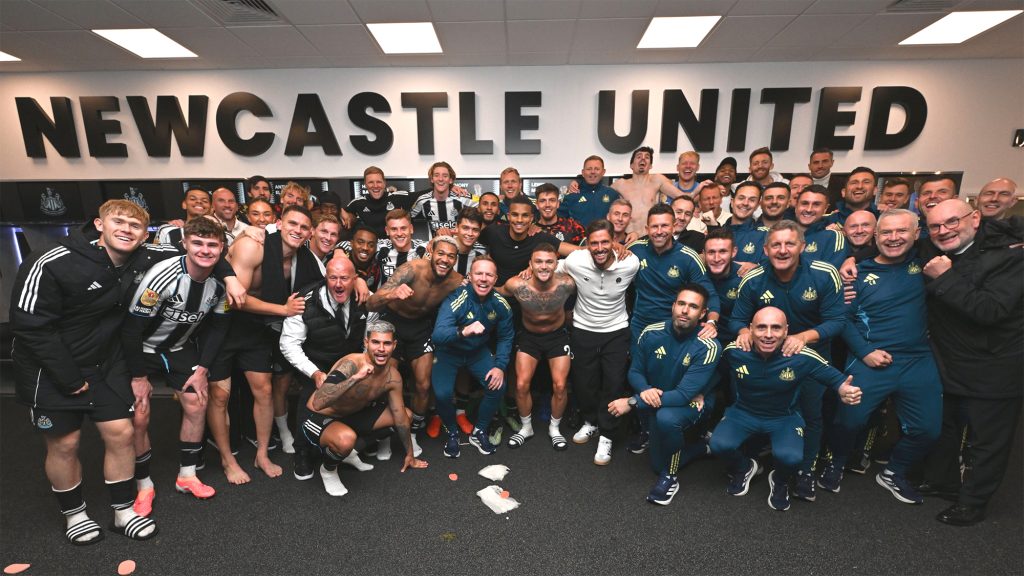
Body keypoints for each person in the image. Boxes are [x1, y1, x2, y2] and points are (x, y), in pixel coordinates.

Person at [11, 200, 159, 544]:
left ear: (144, 235)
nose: (126, 229)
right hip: (50, 370)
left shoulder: (141, 259)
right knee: (65, 443)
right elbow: (29, 326)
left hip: (104, 365)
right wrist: (70, 378)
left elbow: (196, 246)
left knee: (122, 433)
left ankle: (123, 512)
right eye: (118, 222)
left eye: (135, 226)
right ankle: (75, 515)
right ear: (99, 225)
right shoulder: (52, 261)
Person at [817, 208, 941, 504]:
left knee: (928, 429)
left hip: (918, 360)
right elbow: (842, 319)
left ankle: (894, 471)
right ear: (876, 237)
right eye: (886, 232)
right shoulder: (858, 272)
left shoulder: (927, 266)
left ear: (916, 233)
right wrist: (866, 352)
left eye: (901, 231)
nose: (894, 238)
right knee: (849, 420)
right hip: (869, 357)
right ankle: (836, 462)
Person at [919, 199, 1024, 526]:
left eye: (952, 222)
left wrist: (945, 277)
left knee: (986, 440)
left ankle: (973, 503)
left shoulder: (1010, 255)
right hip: (951, 362)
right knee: (947, 426)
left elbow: (990, 311)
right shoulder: (937, 251)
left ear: (975, 218)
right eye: (935, 226)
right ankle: (945, 482)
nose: (944, 231)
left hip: (996, 366)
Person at [728, 220, 846, 503]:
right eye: (776, 245)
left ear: (802, 247)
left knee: (811, 415)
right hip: (766, 359)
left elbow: (837, 320)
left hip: (808, 356)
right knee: (761, 409)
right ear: (766, 249)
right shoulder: (753, 278)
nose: (783, 250)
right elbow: (736, 319)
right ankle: (756, 462)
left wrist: (803, 337)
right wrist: (745, 332)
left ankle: (805, 469)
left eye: (789, 244)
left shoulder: (824, 274)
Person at [121, 217, 231, 516]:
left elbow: (219, 328)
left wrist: (202, 368)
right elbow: (131, 330)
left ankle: (187, 475)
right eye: (198, 243)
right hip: (139, 348)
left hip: (177, 347)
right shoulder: (163, 275)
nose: (205, 251)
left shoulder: (221, 284)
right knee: (140, 416)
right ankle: (144, 485)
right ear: (184, 244)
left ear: (221, 248)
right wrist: (138, 376)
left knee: (197, 403)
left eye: (212, 245)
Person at [207, 205, 318, 483]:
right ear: (279, 224)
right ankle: (227, 459)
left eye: (304, 227)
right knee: (220, 396)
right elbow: (237, 299)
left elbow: (326, 276)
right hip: (222, 325)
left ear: (309, 233)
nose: (298, 231)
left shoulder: (302, 258)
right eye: (293, 224)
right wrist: (283, 310)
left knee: (264, 392)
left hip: (255, 329)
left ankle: (262, 455)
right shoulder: (251, 246)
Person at [710, 307, 861, 511]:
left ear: (786, 330)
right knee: (718, 444)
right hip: (743, 413)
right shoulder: (735, 350)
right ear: (750, 329)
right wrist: (700, 392)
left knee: (791, 457)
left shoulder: (800, 354)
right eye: (762, 327)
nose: (769, 334)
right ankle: (745, 468)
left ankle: (779, 481)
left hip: (783, 417)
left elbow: (834, 378)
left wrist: (844, 389)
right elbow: (714, 372)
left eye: (776, 328)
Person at [607, 285, 721, 505]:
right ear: (673, 306)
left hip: (689, 403)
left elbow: (683, 395)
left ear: (703, 314)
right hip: (658, 400)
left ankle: (670, 476)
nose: (685, 311)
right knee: (656, 457)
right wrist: (645, 392)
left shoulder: (709, 346)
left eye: (693, 306)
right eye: (681, 304)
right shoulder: (651, 332)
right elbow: (635, 371)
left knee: (666, 420)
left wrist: (633, 401)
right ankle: (701, 447)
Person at [301, 322, 428, 496]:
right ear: (366, 343)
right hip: (317, 417)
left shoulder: (393, 377)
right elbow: (319, 402)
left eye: (387, 343)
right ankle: (328, 470)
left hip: (351, 416)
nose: (381, 349)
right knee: (345, 440)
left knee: (406, 414)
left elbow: (400, 417)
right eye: (376, 342)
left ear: (394, 345)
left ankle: (351, 451)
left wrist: (410, 455)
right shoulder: (351, 364)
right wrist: (355, 378)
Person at [280, 256, 371, 480]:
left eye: (344, 278)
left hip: (348, 361)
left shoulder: (364, 297)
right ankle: (302, 451)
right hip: (317, 363)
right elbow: (288, 343)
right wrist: (314, 372)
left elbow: (371, 331)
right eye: (333, 278)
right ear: (325, 278)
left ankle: (344, 446)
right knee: (311, 401)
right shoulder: (306, 301)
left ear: (355, 279)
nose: (338, 284)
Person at [561, 220, 640, 465]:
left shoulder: (630, 262)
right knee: (585, 383)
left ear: (614, 242)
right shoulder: (576, 260)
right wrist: (527, 271)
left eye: (605, 242)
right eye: (594, 243)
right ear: (586, 245)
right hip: (583, 329)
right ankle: (590, 422)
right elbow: (547, 266)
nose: (599, 248)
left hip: (616, 331)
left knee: (614, 383)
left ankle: (607, 434)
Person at [367, 236, 464, 432]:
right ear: (432, 253)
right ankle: (383, 429)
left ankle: (416, 426)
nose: (445, 259)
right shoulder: (411, 269)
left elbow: (483, 291)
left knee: (423, 384)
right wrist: (392, 294)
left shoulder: (456, 281)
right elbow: (371, 303)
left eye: (451, 256)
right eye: (441, 253)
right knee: (385, 380)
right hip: (393, 323)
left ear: (455, 260)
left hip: (421, 327)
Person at [431, 256, 514, 457]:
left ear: (495, 279)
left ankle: (479, 431)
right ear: (470, 276)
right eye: (479, 273)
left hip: (477, 352)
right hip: (449, 352)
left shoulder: (500, 304)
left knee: (497, 384)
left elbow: (506, 336)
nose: (483, 279)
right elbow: (438, 335)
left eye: (489, 275)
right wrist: (463, 331)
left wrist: (500, 366)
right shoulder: (457, 298)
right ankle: (451, 431)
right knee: (442, 394)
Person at [498, 244, 577, 451]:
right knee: (522, 384)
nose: (544, 266)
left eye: (549, 261)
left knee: (560, 385)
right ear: (530, 264)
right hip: (529, 338)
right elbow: (495, 292)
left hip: (557, 337)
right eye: (538, 261)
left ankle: (555, 429)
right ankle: (526, 428)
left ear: (556, 263)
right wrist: (468, 283)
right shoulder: (517, 285)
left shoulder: (567, 284)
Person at [478, 195, 578, 286]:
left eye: (525, 215)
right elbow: (470, 240)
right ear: (508, 216)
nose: (519, 220)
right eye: (515, 215)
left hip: (526, 299)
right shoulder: (493, 232)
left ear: (531, 218)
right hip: (496, 295)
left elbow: (578, 251)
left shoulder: (540, 237)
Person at [611, 146, 681, 234]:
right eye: (639, 157)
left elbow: (683, 197)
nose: (643, 159)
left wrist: (697, 196)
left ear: (650, 166)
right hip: (628, 239)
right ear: (631, 165)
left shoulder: (657, 180)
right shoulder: (620, 184)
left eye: (647, 157)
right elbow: (602, 200)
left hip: (651, 239)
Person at [410, 161, 475, 238]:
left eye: (445, 176)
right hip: (434, 247)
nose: (440, 179)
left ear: (450, 180)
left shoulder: (462, 198)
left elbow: (484, 204)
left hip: (458, 246)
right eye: (436, 175)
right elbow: (408, 219)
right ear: (432, 179)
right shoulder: (422, 201)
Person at [342, 166, 412, 237]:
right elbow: (335, 210)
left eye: (379, 182)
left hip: (395, 244)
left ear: (384, 183)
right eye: (371, 182)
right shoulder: (358, 202)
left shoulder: (397, 197)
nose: (375, 186)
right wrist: (341, 211)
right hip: (369, 245)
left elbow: (422, 195)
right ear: (365, 184)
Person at [560, 155, 622, 227]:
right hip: (579, 238)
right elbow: (559, 221)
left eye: (597, 169)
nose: (593, 172)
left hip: (605, 237)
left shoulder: (612, 194)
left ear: (603, 172)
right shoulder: (572, 196)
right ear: (583, 172)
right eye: (589, 169)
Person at [796, 184, 848, 268]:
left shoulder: (832, 236)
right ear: (796, 205)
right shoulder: (782, 233)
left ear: (825, 208)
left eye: (816, 204)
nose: (809, 209)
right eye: (804, 203)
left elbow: (828, 275)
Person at [448, 207, 489, 276]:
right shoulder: (442, 248)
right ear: (457, 228)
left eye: (475, 230)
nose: (470, 233)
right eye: (465, 228)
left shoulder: (481, 253)